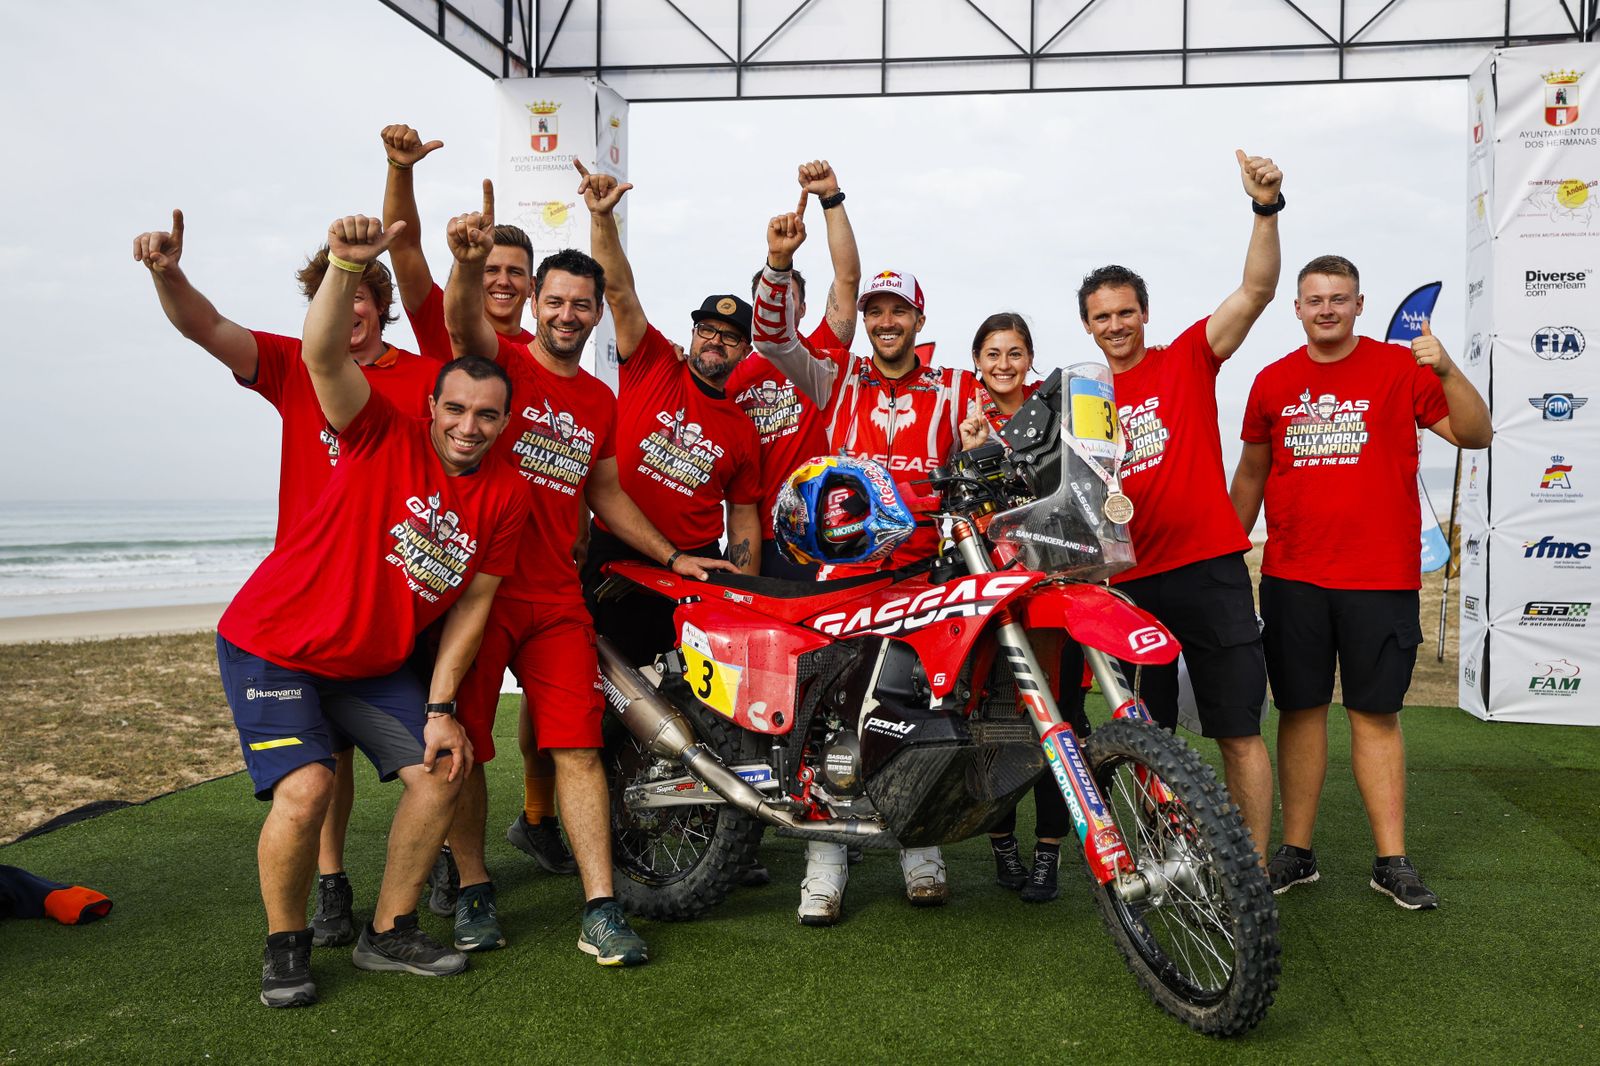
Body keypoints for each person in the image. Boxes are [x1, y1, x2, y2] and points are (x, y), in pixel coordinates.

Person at [214, 214, 529, 1007]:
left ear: (502, 422)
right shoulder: (377, 432)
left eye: (486, 416)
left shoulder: (506, 494)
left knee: (442, 767)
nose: (468, 427)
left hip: (370, 664)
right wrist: (347, 269)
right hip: (274, 645)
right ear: (431, 406)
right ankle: (286, 945)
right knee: (309, 787)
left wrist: (441, 705)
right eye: (455, 410)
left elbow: (472, 608)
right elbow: (322, 353)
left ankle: (388, 933)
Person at [133, 210, 441, 950]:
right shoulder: (297, 362)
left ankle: (428, 890)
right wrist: (167, 273)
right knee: (319, 764)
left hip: (386, 606)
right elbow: (204, 326)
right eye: (340, 293)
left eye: (367, 293)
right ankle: (329, 886)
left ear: (380, 303)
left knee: (430, 756)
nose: (352, 307)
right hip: (301, 604)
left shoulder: (429, 384)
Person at [439, 187, 732, 961]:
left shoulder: (600, 396)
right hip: (481, 594)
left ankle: (599, 909)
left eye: (582, 305)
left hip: (556, 598)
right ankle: (472, 888)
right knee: (467, 742)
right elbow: (462, 322)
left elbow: (603, 491)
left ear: (598, 314)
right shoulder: (500, 363)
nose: (569, 315)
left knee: (578, 747)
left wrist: (671, 555)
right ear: (533, 302)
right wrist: (466, 266)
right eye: (556, 300)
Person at [1230, 254, 1492, 910]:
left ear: (1359, 304)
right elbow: (1252, 476)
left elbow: (1476, 433)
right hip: (1294, 577)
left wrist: (1446, 366)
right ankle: (1296, 853)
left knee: (1376, 714)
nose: (1326, 308)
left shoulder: (1402, 369)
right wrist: (1225, 551)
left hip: (1381, 578)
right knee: (1301, 710)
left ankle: (1391, 860)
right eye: (1314, 298)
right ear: (1297, 308)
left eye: (1338, 298)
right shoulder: (1270, 382)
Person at [753, 200, 982, 923]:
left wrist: (981, 445)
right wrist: (781, 264)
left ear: (918, 319)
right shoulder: (836, 379)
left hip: (925, 579)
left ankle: (919, 844)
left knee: (922, 713)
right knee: (830, 718)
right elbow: (775, 336)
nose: (885, 322)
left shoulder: (955, 388)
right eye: (875, 310)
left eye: (898, 311)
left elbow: (992, 450)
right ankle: (825, 860)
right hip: (844, 580)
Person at [1075, 149, 1284, 869]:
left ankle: (1250, 869)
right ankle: (1167, 844)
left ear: (1145, 313)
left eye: (1125, 312)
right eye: (1102, 317)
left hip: (1209, 571)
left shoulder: (1188, 356)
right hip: (1129, 584)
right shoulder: (1080, 400)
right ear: (1089, 326)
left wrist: (1264, 207)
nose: (1116, 325)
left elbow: (1256, 290)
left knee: (1236, 730)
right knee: (1148, 735)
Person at [379, 123, 574, 891]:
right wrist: (400, 173)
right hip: (454, 570)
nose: (501, 280)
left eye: (514, 271)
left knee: (537, 723)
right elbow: (405, 252)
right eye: (491, 266)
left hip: (537, 575)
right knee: (456, 728)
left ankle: (530, 823)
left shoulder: (541, 355)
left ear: (531, 285)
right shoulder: (450, 328)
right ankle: (464, 876)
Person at [576, 161, 762, 667]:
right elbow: (617, 289)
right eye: (707, 330)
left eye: (730, 337)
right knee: (588, 682)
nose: (715, 342)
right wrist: (601, 218)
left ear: (744, 350)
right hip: (616, 554)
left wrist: (739, 600)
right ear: (693, 333)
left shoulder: (743, 429)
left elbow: (742, 521)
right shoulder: (654, 359)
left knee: (682, 704)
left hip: (694, 565)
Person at [965, 312, 1087, 903]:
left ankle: (1049, 854)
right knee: (993, 724)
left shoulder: (1057, 422)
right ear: (978, 361)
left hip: (1047, 588)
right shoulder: (965, 425)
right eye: (992, 353)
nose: (1003, 365)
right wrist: (970, 455)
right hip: (986, 591)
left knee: (1058, 722)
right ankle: (1003, 848)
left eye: (1015, 353)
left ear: (1030, 359)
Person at [726, 160, 861, 581]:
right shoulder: (730, 379)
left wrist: (830, 198)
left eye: (791, 297)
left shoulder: (821, 352)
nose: (781, 303)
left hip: (823, 528)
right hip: (758, 535)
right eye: (772, 294)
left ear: (802, 308)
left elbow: (848, 279)